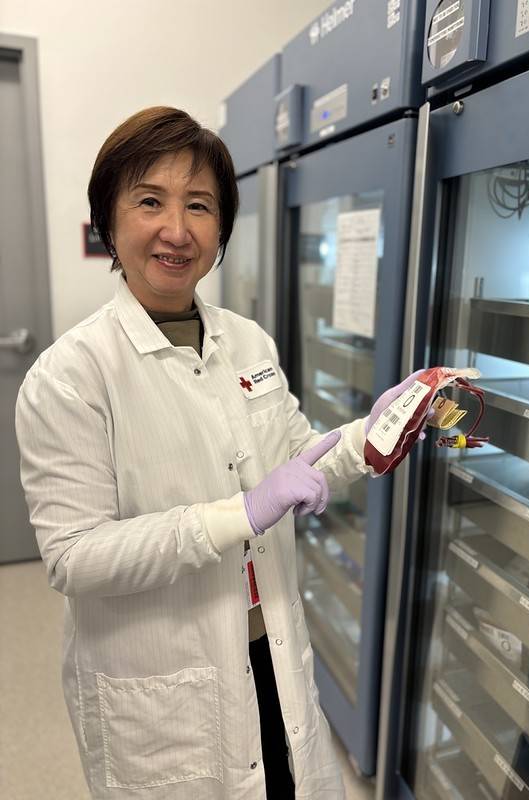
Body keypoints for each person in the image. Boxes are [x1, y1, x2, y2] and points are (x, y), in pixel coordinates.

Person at [15, 107, 423, 800]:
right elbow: (75, 556)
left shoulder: (249, 343)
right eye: (150, 201)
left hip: (270, 648)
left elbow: (295, 461)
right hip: (165, 683)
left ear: (222, 228)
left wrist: (368, 438)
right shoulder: (69, 376)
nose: (177, 230)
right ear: (108, 217)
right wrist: (238, 513)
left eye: (199, 206)